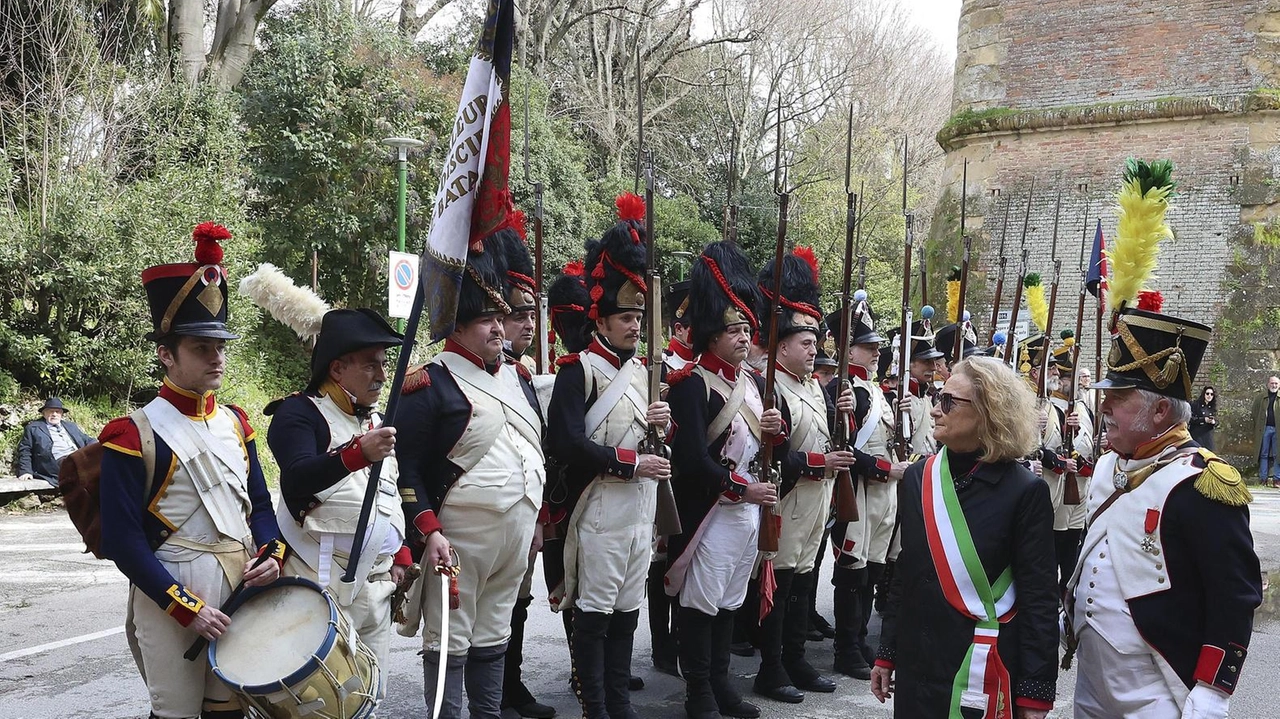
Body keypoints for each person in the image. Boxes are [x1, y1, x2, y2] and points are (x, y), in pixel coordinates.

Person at [1066, 159, 1262, 719]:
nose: (1103, 406)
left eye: (1118, 398)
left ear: (1157, 411)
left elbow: (1235, 594)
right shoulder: (1109, 465)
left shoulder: (1203, 483)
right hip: (1091, 677)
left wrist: (1214, 688)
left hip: (1162, 681)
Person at [98, 222, 283, 719]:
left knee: (231, 712)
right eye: (202, 348)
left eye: (220, 347)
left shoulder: (236, 421)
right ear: (166, 354)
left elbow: (260, 507)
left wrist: (272, 550)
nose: (217, 358)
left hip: (238, 582)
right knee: (176, 711)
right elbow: (123, 539)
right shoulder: (130, 434)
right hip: (172, 591)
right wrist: (184, 606)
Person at [396, 229, 546, 719]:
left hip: (516, 535)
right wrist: (427, 530)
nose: (499, 330)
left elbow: (533, 450)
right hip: (456, 541)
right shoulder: (430, 381)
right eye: (486, 321)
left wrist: (539, 521)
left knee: (495, 637)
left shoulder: (518, 378)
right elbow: (407, 468)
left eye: (499, 319)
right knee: (449, 644)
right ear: (456, 327)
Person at [871, 355, 1058, 718]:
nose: (936, 410)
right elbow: (907, 571)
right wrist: (887, 652)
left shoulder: (1025, 490)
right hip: (917, 663)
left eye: (948, 401)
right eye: (937, 396)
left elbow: (1040, 597)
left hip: (979, 664)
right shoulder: (918, 478)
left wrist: (1035, 692)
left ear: (988, 410)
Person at [547, 194, 670, 719]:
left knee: (626, 615)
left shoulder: (646, 372)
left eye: (639, 315)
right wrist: (629, 462)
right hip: (598, 507)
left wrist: (663, 428)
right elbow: (568, 443)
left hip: (640, 509)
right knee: (595, 616)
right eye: (626, 315)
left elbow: (650, 441)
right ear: (601, 317)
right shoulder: (579, 371)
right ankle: (596, 707)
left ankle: (619, 705)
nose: (635, 324)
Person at [665, 240, 783, 719]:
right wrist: (741, 490)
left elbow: (762, 447)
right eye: (734, 329)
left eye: (747, 329)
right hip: (711, 512)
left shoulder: (749, 384)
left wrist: (779, 429)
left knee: (729, 601)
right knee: (701, 604)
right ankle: (699, 694)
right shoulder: (692, 384)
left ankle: (719, 683)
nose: (743, 337)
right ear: (711, 334)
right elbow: (691, 461)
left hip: (746, 513)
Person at [263, 307, 410, 688]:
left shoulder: (374, 420)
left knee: (369, 699)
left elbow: (389, 490)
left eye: (382, 364)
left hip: (378, 582)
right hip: (322, 580)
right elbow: (297, 478)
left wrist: (402, 549)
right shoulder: (297, 413)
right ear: (336, 368)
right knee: (320, 700)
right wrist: (357, 453)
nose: (381, 375)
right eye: (369, 365)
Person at [751, 249, 845, 703]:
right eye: (805, 344)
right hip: (787, 499)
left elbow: (826, 440)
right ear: (782, 345)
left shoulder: (812, 387)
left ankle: (794, 658)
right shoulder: (771, 387)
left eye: (814, 343)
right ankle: (771, 668)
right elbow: (774, 458)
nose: (814, 351)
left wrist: (840, 412)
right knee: (780, 584)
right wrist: (816, 466)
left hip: (816, 502)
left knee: (803, 580)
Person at [493, 228, 558, 719]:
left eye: (529, 315)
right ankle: (489, 694)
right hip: (480, 515)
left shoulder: (522, 374)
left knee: (517, 601)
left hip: (525, 509)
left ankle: (510, 683)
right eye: (516, 316)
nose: (527, 325)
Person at [824, 296, 902, 681]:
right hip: (856, 491)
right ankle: (845, 649)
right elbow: (845, 448)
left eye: (876, 347)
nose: (875, 353)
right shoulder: (841, 388)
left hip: (883, 495)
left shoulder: (876, 392)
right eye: (867, 346)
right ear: (847, 347)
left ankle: (857, 638)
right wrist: (889, 469)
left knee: (872, 570)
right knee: (851, 573)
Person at [15, 397, 94, 486]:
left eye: (57, 411)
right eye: (51, 411)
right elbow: (25, 449)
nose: (54, 414)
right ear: (44, 413)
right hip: (57, 462)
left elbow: (87, 439)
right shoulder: (33, 428)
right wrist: (25, 471)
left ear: (62, 414)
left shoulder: (71, 426)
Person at [1251, 376, 1280, 487]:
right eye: (1272, 383)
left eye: (1276, 384)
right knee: (1263, 454)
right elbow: (1254, 412)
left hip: (1278, 430)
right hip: (1265, 428)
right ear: (1268, 384)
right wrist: (1259, 424)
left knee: (1277, 454)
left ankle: (1277, 479)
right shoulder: (1261, 397)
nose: (1274, 386)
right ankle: (1263, 478)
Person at [1190, 385, 1218, 451]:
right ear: (1204, 394)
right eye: (1207, 393)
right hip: (1197, 435)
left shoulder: (1212, 407)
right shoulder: (1196, 405)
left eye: (1211, 394)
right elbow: (1190, 418)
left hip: (1208, 437)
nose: (1209, 396)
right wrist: (1203, 420)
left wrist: (1213, 422)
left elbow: (1217, 421)